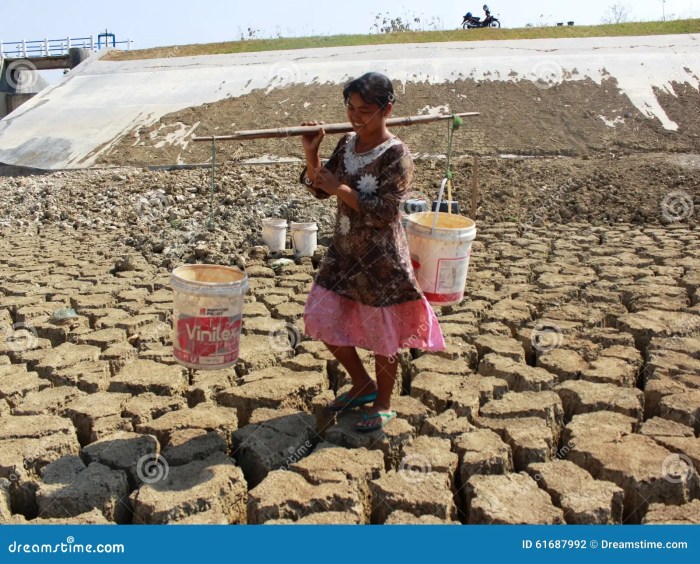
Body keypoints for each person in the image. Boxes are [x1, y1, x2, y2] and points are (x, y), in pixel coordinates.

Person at [299, 72, 445, 432]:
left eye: (364, 110)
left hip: (381, 259)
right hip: (345, 253)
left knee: (383, 330)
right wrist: (311, 152)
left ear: (387, 109)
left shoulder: (397, 154)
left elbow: (385, 211)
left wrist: (342, 189)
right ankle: (361, 383)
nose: (354, 116)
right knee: (322, 316)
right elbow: (320, 188)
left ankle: (383, 400)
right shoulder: (347, 144)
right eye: (350, 108)